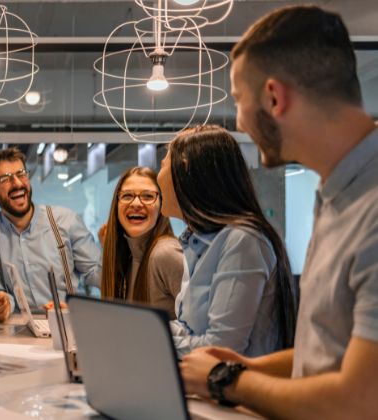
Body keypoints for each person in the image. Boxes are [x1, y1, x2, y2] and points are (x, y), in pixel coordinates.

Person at [179, 6, 378, 418]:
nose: (239, 119)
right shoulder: (337, 191)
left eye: (238, 100)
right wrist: (248, 367)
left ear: (273, 97)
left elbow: (360, 400)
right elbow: (326, 347)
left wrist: (227, 381)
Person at [157, 125, 298, 358]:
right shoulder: (198, 243)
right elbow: (189, 329)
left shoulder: (243, 240)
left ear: (185, 169)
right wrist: (146, 330)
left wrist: (151, 342)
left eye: (163, 164)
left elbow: (222, 348)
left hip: (239, 392)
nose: (157, 176)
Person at [0, 147, 101, 321]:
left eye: (21, 174)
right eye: (5, 178)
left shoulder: (65, 221)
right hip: (15, 332)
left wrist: (114, 250)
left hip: (68, 323)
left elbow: (95, 273)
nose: (18, 184)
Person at [100, 167, 183, 319]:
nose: (136, 203)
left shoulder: (166, 254)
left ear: (161, 206)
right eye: (127, 196)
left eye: (147, 196)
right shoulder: (130, 255)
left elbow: (198, 327)